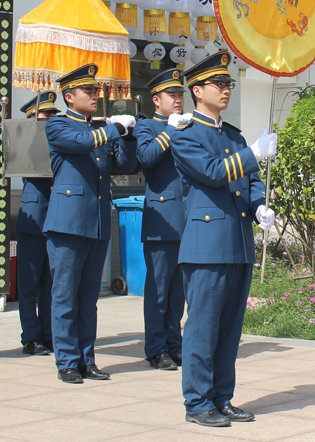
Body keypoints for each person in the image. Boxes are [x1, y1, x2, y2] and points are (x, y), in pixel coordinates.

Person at [171, 51, 276, 427]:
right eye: (218, 84)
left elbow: (250, 180)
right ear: (197, 91)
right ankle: (197, 402)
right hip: (207, 244)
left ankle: (221, 397)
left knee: (230, 328)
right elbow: (214, 172)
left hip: (238, 241)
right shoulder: (184, 135)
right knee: (203, 327)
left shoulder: (233, 135)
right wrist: (254, 152)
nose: (226, 89)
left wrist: (259, 205)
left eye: (228, 83)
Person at [44, 64, 138, 383]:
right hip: (68, 223)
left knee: (88, 298)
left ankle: (86, 359)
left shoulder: (100, 129)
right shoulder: (58, 125)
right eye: (88, 91)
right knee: (65, 294)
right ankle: (67, 362)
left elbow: (124, 165)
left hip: (96, 222)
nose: (95, 96)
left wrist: (128, 134)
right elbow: (82, 143)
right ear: (69, 97)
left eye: (96, 91)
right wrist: (114, 129)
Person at [135, 68, 190, 371]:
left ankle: (174, 344)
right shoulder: (148, 126)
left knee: (178, 292)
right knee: (158, 289)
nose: (178, 99)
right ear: (156, 100)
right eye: (172, 95)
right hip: (162, 220)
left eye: (181, 94)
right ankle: (156, 348)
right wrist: (170, 130)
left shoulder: (186, 125)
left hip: (187, 218)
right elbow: (146, 157)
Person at [15, 91, 61, 356]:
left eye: (53, 115)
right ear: (33, 118)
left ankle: (48, 333)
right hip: (33, 218)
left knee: (50, 284)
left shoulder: (59, 139)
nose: (51, 120)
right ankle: (30, 336)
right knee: (29, 283)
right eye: (46, 116)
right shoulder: (26, 141)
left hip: (56, 217)